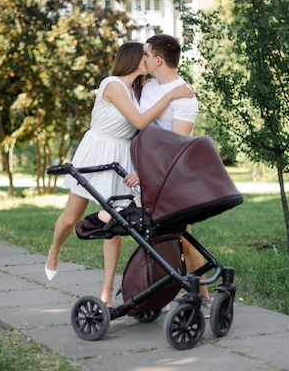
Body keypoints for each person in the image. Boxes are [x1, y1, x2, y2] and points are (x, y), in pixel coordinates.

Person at [44, 41, 194, 307]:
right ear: (135, 59)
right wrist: (170, 97)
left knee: (115, 226)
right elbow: (139, 121)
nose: (149, 59)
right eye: (145, 55)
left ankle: (107, 290)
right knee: (70, 217)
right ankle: (54, 250)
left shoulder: (141, 90)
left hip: (122, 157)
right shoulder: (112, 84)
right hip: (97, 151)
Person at [140, 33, 211, 317]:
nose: (141, 58)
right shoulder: (146, 88)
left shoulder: (185, 96)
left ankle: (203, 295)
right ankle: (163, 290)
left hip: (175, 176)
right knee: (155, 238)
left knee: (182, 237)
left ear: (158, 59)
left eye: (145, 54)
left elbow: (176, 145)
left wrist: (147, 171)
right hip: (146, 174)